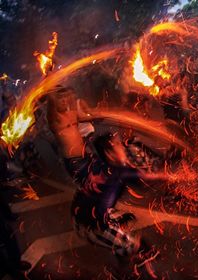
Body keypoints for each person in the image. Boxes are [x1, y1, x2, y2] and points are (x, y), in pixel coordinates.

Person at [71, 133, 183, 266]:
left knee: (129, 228)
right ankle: (132, 268)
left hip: (83, 216)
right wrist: (180, 176)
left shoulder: (100, 165)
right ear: (110, 153)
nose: (123, 147)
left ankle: (122, 255)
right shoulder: (119, 172)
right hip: (92, 226)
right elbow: (152, 177)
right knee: (137, 247)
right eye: (118, 145)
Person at [46, 86, 88, 181]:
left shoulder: (72, 114)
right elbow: (51, 102)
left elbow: (90, 117)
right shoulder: (55, 119)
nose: (64, 100)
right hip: (74, 161)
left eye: (65, 97)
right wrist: (48, 79)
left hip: (85, 155)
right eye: (60, 98)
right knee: (87, 186)